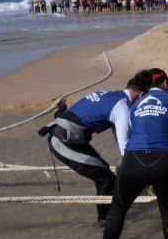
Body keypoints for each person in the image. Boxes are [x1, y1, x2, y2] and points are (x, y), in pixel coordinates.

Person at [38, 71, 150, 225]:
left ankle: (110, 215)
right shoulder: (122, 108)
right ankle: (104, 223)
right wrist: (140, 168)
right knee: (106, 180)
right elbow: (125, 144)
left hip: (67, 137)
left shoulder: (108, 95)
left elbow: (118, 136)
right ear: (141, 94)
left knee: (105, 174)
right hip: (63, 143)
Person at [102, 68, 168, 239]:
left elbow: (127, 135)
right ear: (165, 83)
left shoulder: (135, 104)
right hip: (164, 160)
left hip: (133, 159)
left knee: (118, 209)